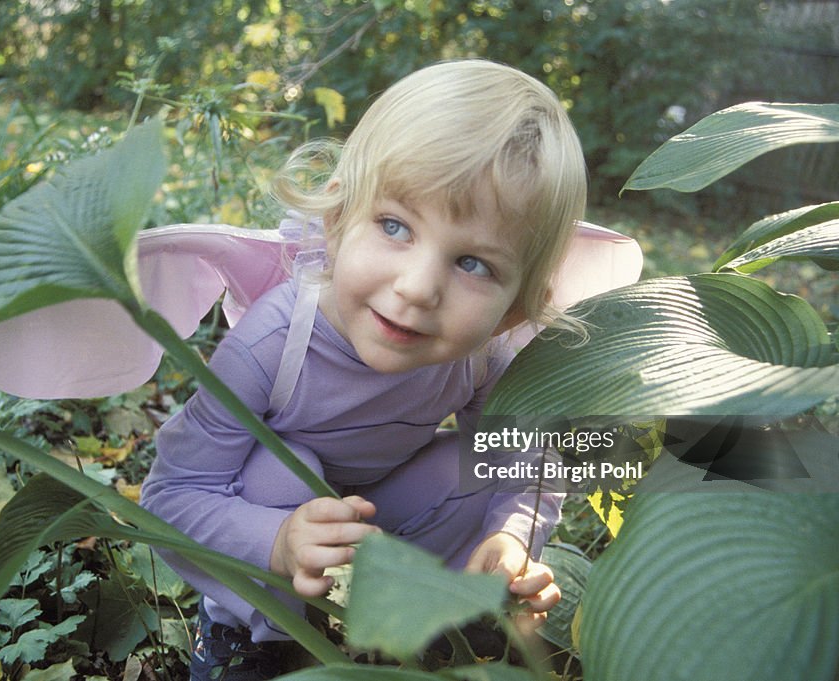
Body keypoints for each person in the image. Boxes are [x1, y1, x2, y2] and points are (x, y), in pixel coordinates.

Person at [140, 58, 585, 680]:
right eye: (395, 225)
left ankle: (421, 614)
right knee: (284, 473)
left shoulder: (483, 356)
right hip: (275, 528)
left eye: (474, 264)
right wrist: (277, 540)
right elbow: (169, 496)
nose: (418, 287)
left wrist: (512, 538)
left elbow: (527, 468)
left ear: (512, 311)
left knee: (492, 458)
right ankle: (260, 637)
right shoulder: (272, 345)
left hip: (379, 524)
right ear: (337, 220)